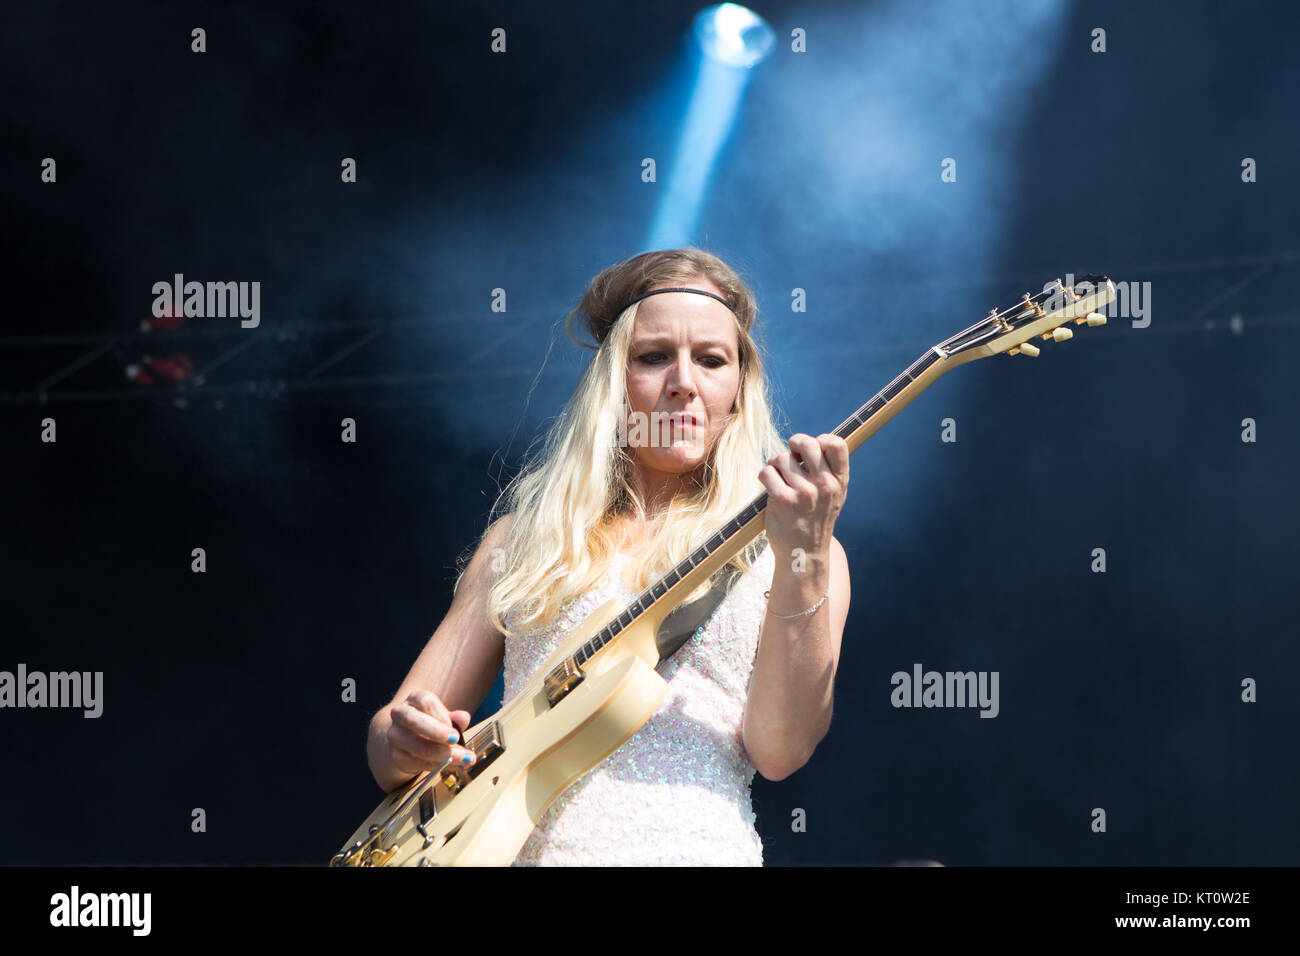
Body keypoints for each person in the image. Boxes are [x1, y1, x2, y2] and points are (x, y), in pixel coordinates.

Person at [365, 248, 852, 865]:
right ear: (613, 383)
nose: (684, 382)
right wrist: (406, 740)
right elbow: (390, 737)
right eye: (653, 357)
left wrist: (804, 553)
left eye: (711, 360)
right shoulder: (524, 541)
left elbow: (782, 751)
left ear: (740, 387)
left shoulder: (797, 547)